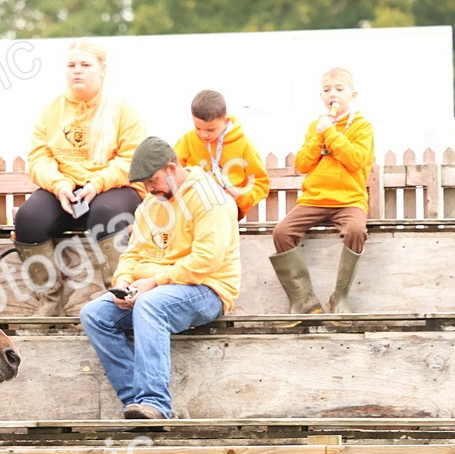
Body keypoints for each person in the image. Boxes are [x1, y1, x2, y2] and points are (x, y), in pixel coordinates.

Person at [79, 137, 241, 421]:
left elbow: (207, 259)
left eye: (153, 181)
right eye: (144, 184)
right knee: (93, 314)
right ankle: (136, 402)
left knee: (150, 305)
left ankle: (155, 404)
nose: (149, 189)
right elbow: (133, 252)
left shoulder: (210, 199)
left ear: (171, 167)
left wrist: (154, 283)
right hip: (156, 288)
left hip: (207, 289)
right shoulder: (150, 205)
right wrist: (124, 281)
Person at [13, 38, 146, 316]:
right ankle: (49, 302)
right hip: (65, 189)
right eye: (72, 65)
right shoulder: (52, 109)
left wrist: (97, 184)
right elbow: (38, 156)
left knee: (106, 213)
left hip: (112, 186)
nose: (77, 71)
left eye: (86, 65)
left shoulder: (123, 109)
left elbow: (130, 159)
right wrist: (59, 184)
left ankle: (121, 299)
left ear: (102, 70)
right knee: (28, 218)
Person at [270, 68, 374, 314]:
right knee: (282, 232)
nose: (333, 94)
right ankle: (305, 300)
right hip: (315, 199)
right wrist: (319, 136)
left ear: (353, 94)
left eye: (339, 89)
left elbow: (356, 160)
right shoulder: (315, 127)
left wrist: (331, 133)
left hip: (349, 200)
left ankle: (340, 298)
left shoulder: (362, 126)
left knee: (356, 230)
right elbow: (302, 164)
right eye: (327, 90)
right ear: (321, 96)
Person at [173, 90, 269, 221]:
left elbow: (261, 183)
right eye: (198, 128)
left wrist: (240, 197)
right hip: (194, 205)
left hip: (227, 207)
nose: (203, 135)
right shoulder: (188, 140)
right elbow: (173, 172)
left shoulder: (243, 144)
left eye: (210, 129)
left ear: (226, 120)